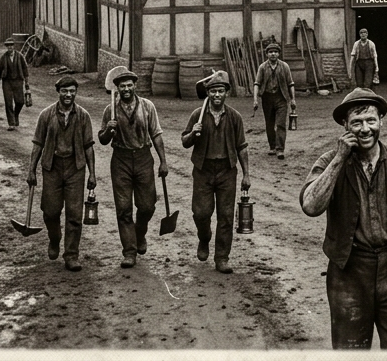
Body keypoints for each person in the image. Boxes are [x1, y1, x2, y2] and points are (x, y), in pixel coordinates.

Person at [300, 88, 387, 350]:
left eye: (371, 121)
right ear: (345, 126)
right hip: (349, 273)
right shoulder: (329, 161)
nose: (365, 129)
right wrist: (340, 159)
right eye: (356, 122)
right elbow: (310, 206)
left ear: (381, 122)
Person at [98, 66, 169, 269]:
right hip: (120, 159)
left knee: (147, 206)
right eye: (122, 86)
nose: (126, 89)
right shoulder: (110, 109)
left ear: (135, 86)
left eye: (129, 85)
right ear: (117, 88)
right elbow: (102, 140)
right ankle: (129, 252)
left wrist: (163, 161)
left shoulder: (147, 107)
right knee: (123, 208)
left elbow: (156, 134)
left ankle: (140, 232)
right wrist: (109, 131)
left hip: (143, 158)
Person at [181, 71, 250, 274]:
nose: (217, 95)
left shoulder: (235, 117)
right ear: (208, 94)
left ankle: (222, 257)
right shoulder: (198, 115)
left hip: (227, 171)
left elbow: (242, 147)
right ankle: (204, 238)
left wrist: (246, 174)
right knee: (201, 213)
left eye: (220, 91)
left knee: (226, 216)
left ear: (226, 93)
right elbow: (184, 142)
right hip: (203, 170)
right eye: (213, 92)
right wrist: (194, 132)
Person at [27, 76, 97, 271]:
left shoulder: (83, 116)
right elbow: (38, 144)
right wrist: (31, 169)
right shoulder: (46, 115)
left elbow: (89, 147)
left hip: (75, 168)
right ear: (58, 92)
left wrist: (92, 174)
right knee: (50, 211)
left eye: (72, 91)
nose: (68, 95)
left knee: (74, 214)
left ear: (76, 92)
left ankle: (71, 255)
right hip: (52, 167)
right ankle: (54, 238)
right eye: (65, 91)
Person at [252, 43, 296, 160]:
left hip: (281, 98)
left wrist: (293, 99)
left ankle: (280, 149)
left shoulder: (284, 66)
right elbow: (257, 84)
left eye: (275, 52)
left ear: (278, 53)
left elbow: (290, 84)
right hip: (267, 98)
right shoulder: (262, 67)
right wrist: (255, 99)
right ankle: (272, 146)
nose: (273, 54)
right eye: (270, 52)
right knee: (269, 124)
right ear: (267, 54)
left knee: (281, 123)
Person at [0, 37, 29, 131]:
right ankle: (11, 123)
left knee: (20, 102)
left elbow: (25, 70)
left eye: (11, 45)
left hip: (18, 81)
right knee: (8, 102)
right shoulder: (3, 57)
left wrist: (27, 84)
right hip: (7, 82)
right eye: (8, 46)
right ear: (6, 47)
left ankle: (15, 115)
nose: (10, 47)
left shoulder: (20, 56)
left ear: (14, 46)